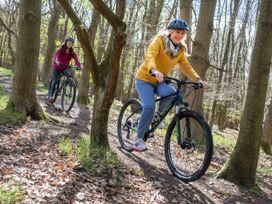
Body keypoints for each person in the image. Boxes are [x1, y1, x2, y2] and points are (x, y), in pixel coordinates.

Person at [134, 18, 208, 151]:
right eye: (177, 32)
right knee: (149, 105)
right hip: (145, 79)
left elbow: (186, 66)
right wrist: (154, 70)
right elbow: (149, 55)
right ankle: (138, 139)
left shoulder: (180, 50)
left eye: (182, 33)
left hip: (160, 81)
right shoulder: (159, 41)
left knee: (173, 93)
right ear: (170, 31)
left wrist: (198, 80)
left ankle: (157, 117)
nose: (179, 36)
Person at [48, 37, 83, 104]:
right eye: (69, 42)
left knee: (69, 75)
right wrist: (57, 61)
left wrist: (80, 65)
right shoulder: (60, 49)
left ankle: (65, 87)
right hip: (57, 67)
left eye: (72, 43)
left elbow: (76, 61)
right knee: (55, 81)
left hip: (65, 68)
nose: (70, 44)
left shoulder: (72, 52)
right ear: (66, 42)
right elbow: (57, 56)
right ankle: (51, 95)